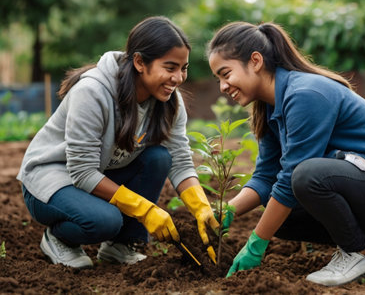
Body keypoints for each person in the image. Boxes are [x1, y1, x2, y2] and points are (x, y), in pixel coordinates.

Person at [207, 21, 365, 286]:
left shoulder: (305, 93)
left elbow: (294, 174)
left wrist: (256, 243)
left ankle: (357, 252)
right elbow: (266, 177)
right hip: (364, 186)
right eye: (218, 79)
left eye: (226, 74)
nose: (223, 86)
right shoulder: (269, 108)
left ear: (256, 61)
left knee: (305, 176)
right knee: (278, 216)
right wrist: (227, 211)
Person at [17, 16, 219, 269]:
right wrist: (144, 210)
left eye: (183, 68)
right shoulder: (92, 92)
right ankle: (59, 239)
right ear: (139, 62)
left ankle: (121, 245)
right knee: (105, 221)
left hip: (98, 173)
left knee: (159, 158)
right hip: (51, 180)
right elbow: (82, 171)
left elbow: (179, 159)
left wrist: (200, 207)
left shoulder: (170, 102)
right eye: (170, 68)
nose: (178, 78)